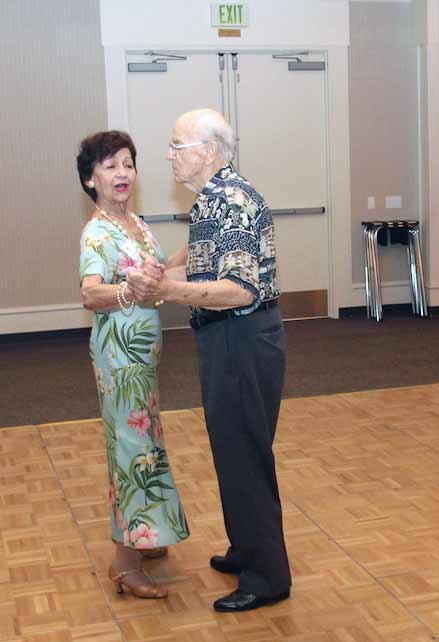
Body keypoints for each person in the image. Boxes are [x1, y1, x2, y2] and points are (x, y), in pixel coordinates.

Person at [126, 109, 290, 612]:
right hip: (231, 339)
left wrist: (167, 289)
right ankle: (247, 550)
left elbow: (240, 291)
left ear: (209, 151)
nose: (168, 155)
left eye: (177, 146)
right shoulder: (216, 199)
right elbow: (208, 248)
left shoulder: (230, 201)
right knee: (234, 450)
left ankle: (266, 577)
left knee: (245, 454)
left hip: (240, 336)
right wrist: (172, 263)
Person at [78, 130, 189, 599]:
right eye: (109, 166)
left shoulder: (137, 225)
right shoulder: (97, 232)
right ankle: (124, 562)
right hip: (119, 361)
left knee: (145, 443)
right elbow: (90, 293)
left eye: (127, 163)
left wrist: (200, 244)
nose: (122, 173)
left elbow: (161, 274)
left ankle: (146, 535)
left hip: (142, 359)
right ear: (90, 179)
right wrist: (128, 292)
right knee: (131, 451)